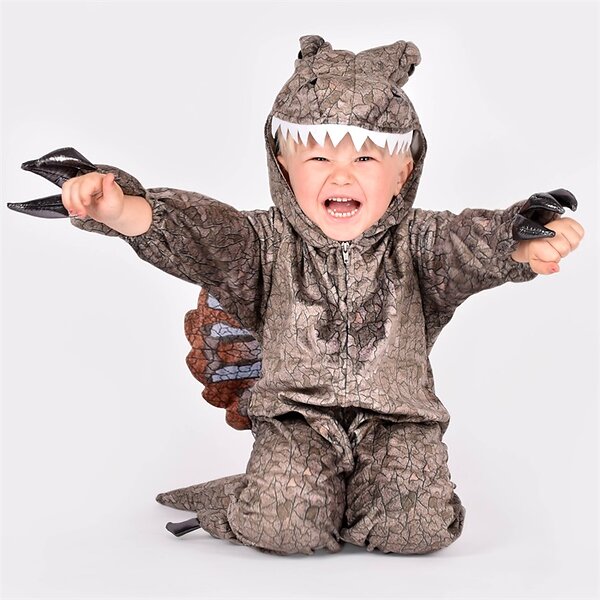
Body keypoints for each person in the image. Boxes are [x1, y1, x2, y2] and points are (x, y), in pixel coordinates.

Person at [57, 35, 584, 555]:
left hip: (398, 421)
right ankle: (257, 501)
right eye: (317, 159)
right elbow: (198, 233)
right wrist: (119, 209)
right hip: (296, 420)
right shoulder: (263, 243)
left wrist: (523, 241)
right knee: (283, 526)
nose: (341, 176)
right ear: (283, 166)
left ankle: (343, 498)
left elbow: (473, 244)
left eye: (366, 159)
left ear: (403, 173)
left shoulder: (423, 242)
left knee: (419, 528)